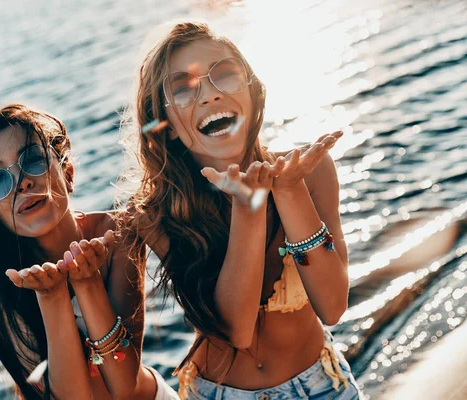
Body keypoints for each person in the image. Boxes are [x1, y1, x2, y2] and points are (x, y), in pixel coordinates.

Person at [119, 21, 363, 399]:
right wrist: (248, 209)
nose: (209, 95)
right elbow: (237, 330)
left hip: (323, 385)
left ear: (252, 90)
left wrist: (289, 190)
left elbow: (332, 307)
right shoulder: (160, 215)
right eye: (183, 88)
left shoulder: (307, 174)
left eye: (224, 75)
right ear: (166, 126)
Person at [0, 104, 178, 399]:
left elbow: (125, 384)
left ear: (68, 172)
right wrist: (52, 297)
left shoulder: (118, 233)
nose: (22, 183)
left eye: (33, 160)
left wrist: (87, 283)